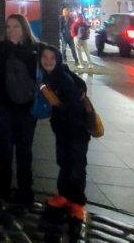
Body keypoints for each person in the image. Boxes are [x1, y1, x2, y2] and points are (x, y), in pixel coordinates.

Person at [0, 14, 42, 203]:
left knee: (24, 148)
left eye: (16, 26)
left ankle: (25, 188)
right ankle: (3, 186)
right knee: (4, 146)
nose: (11, 30)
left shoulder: (35, 48)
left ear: (24, 28)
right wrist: (8, 47)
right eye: (8, 27)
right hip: (3, 104)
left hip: (27, 106)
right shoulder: (2, 47)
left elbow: (48, 69)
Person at [39, 44, 92, 222]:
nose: (48, 61)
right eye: (44, 57)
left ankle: (77, 204)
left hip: (76, 131)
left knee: (77, 167)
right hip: (63, 130)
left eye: (52, 58)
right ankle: (63, 195)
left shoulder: (62, 79)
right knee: (64, 163)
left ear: (58, 60)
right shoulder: (50, 77)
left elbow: (73, 107)